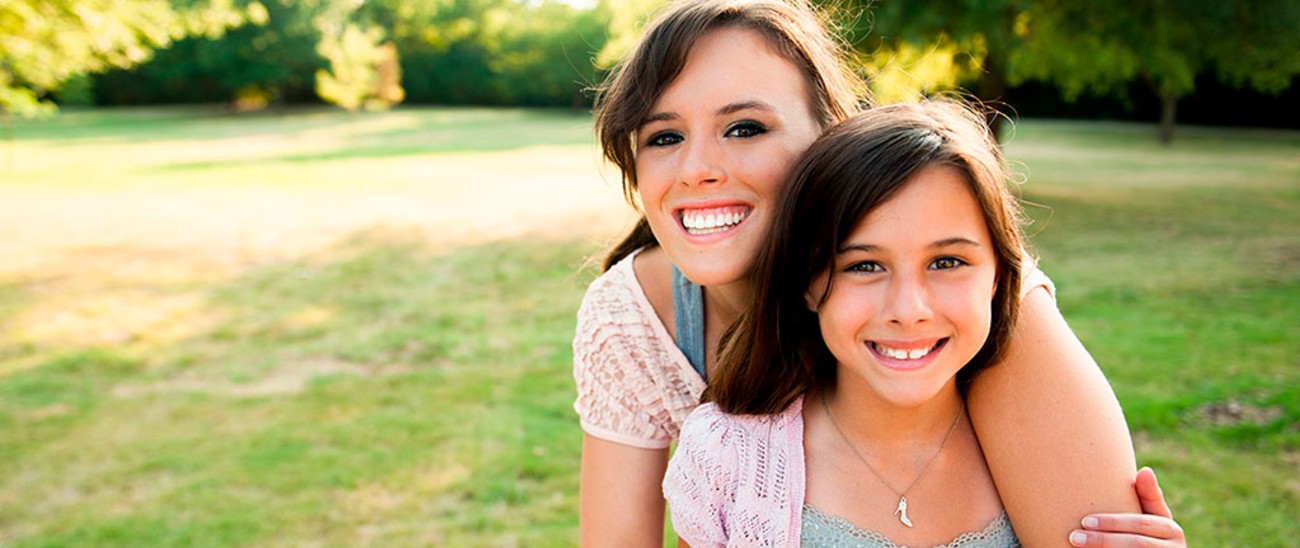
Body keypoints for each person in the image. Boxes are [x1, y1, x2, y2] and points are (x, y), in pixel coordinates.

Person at [574, 1, 1185, 546]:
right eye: (663, 136)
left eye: (746, 128)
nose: (697, 168)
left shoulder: (979, 298)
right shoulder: (633, 323)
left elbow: (1095, 531)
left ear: (831, 140)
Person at [661, 99, 1071, 545]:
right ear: (809, 283)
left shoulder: (1045, 454)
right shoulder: (727, 459)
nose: (908, 308)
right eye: (864, 266)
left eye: (947, 262)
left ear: (998, 276)